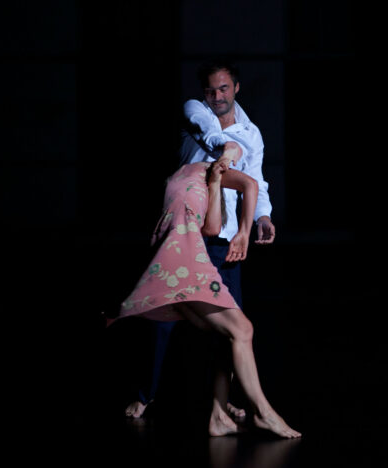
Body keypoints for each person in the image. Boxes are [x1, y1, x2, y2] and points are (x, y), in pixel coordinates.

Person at [124, 59, 276, 427]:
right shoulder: (195, 110)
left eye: (224, 89)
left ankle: (219, 408)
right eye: (211, 90)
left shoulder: (251, 133)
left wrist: (261, 218)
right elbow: (209, 135)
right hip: (185, 231)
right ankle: (146, 395)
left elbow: (256, 180)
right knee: (163, 316)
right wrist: (227, 151)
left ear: (236, 88)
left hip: (223, 239)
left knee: (232, 327)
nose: (217, 96)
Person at [112, 142, 300, 439]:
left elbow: (210, 228)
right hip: (182, 262)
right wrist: (244, 232)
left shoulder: (184, 178)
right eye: (230, 163)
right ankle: (263, 414)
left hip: (171, 262)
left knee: (233, 332)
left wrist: (215, 183)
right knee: (242, 330)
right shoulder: (204, 170)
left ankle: (219, 417)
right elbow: (248, 182)